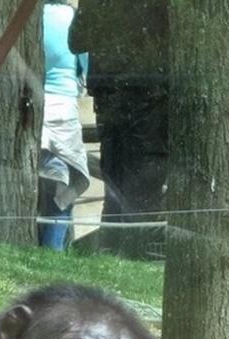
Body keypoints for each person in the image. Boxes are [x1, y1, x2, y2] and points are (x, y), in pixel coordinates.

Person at [69, 0, 168, 259]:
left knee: (117, 178)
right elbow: (76, 41)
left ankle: (115, 249)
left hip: (121, 97)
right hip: (144, 97)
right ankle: (131, 252)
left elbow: (77, 40)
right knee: (136, 179)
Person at [38, 0, 91, 251]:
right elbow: (85, 71)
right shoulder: (73, 17)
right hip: (64, 108)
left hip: (35, 106)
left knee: (38, 189)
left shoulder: (34, 17)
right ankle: (54, 249)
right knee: (66, 188)